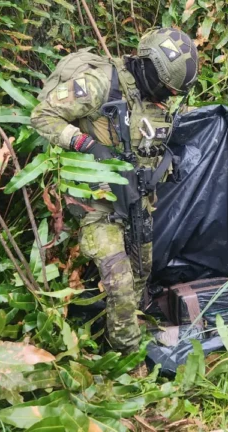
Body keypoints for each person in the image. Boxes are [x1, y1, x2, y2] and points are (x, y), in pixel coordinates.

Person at [30, 28, 199, 366]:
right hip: (97, 202)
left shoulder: (154, 102)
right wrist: (86, 145)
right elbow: (42, 116)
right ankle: (126, 360)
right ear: (150, 67)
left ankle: (123, 326)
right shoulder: (99, 83)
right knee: (120, 278)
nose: (166, 98)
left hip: (137, 202)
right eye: (166, 89)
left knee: (140, 273)